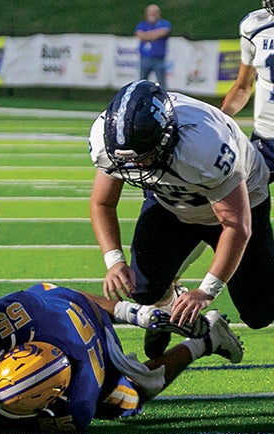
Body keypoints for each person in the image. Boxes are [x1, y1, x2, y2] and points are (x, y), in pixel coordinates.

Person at [89, 80, 274, 360]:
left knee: (259, 313)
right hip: (172, 203)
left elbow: (236, 225)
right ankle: (172, 303)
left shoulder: (205, 144)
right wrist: (114, 261)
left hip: (239, 204)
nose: (136, 167)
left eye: (144, 157)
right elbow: (102, 202)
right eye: (129, 161)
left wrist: (206, 292)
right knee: (142, 289)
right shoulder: (110, 140)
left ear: (166, 136)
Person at [0, 282, 243, 434]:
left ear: (58, 395)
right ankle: (142, 313)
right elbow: (70, 295)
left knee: (131, 397)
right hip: (62, 306)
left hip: (102, 351)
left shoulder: (80, 402)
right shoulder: (18, 316)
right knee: (50, 293)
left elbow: (9, 422)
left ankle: (205, 341)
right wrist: (131, 312)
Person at [221, 1, 274, 183]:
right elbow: (243, 86)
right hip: (266, 139)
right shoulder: (255, 26)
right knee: (241, 196)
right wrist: (219, 120)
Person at [135, 4, 171, 88]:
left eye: (154, 12)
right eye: (150, 12)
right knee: (142, 83)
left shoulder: (164, 23)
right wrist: (154, 34)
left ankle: (164, 100)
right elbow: (140, 35)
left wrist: (147, 35)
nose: (152, 14)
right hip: (145, 57)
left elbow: (163, 32)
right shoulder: (142, 25)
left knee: (162, 83)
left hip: (159, 59)